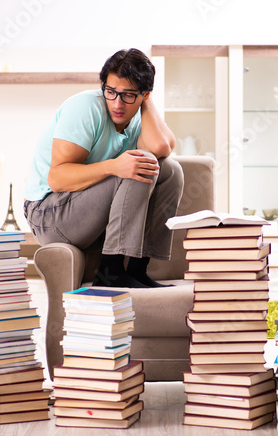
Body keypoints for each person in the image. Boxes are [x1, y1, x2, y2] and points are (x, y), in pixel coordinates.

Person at [24, 48, 184, 288]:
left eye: (128, 95)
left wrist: (145, 104)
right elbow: (57, 178)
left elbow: (162, 147)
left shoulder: (138, 113)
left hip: (87, 213)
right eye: (111, 92)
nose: (117, 103)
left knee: (171, 170)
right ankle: (111, 271)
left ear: (145, 95)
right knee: (136, 164)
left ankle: (138, 269)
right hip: (49, 214)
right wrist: (113, 167)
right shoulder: (86, 108)